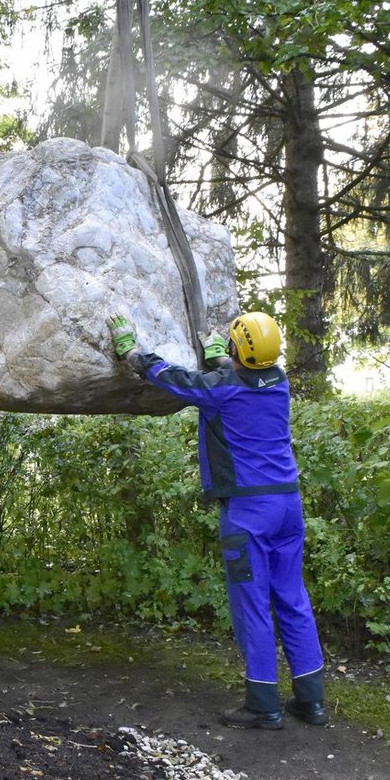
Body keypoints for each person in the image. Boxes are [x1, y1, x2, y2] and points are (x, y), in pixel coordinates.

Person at [107, 311, 327, 730]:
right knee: (292, 599)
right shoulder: (279, 381)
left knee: (253, 607)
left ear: (236, 349)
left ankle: (264, 706)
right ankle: (312, 701)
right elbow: (240, 373)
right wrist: (218, 358)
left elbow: (171, 377)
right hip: (287, 507)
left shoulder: (220, 390)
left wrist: (133, 352)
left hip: (248, 513)